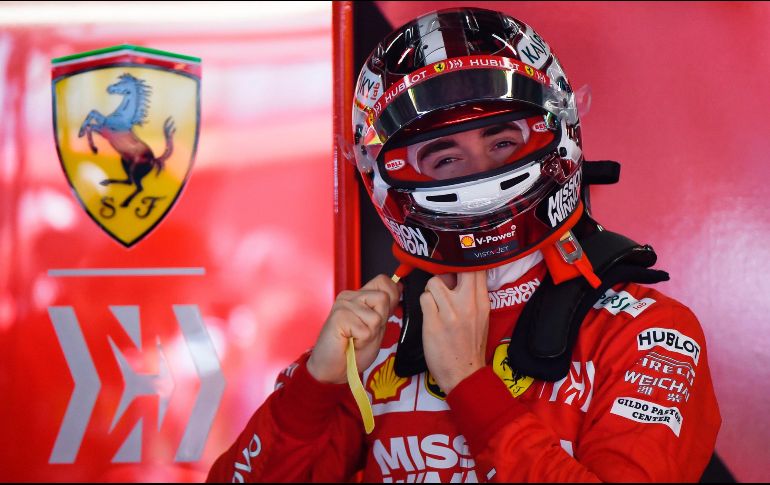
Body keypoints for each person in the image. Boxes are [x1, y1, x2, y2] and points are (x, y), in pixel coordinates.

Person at [207, 7, 720, 483]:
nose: (481, 172)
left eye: (501, 142)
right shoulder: (376, 340)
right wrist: (314, 389)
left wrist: (469, 383)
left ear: (555, 133)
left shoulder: (646, 333)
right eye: (446, 159)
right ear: (390, 175)